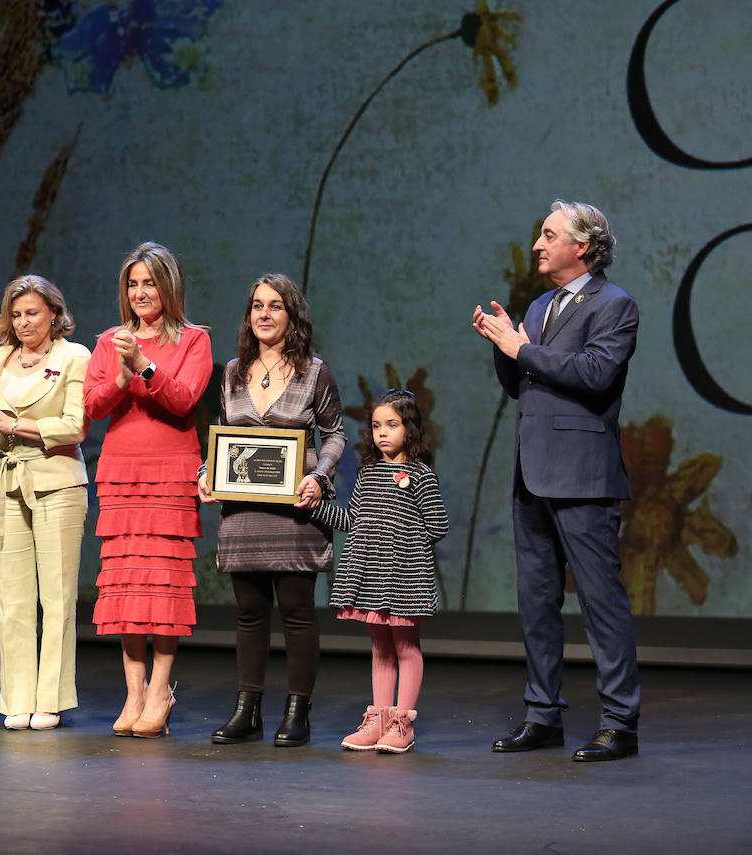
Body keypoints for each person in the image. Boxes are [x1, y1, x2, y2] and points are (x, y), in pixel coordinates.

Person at [472, 199, 641, 762]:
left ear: (583, 246)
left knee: (600, 603)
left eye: (549, 235)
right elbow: (525, 383)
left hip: (583, 477)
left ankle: (620, 722)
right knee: (536, 601)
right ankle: (542, 714)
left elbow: (595, 375)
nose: (538, 244)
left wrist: (525, 349)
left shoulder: (615, 305)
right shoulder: (541, 304)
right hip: (533, 474)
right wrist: (505, 348)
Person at [199, 274, 346, 747]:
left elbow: (336, 434)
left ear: (292, 315)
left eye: (275, 306)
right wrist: (206, 474)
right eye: (257, 306)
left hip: (295, 512)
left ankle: (296, 712)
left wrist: (319, 477)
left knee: (298, 613)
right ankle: (248, 711)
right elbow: (222, 438)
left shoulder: (314, 372)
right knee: (250, 613)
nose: (263, 314)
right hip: (244, 513)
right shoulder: (231, 372)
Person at [83, 241, 213, 738]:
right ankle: (134, 691)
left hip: (172, 470)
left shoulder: (194, 340)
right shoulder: (110, 340)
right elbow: (94, 406)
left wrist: (143, 365)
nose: (140, 292)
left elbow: (183, 402)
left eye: (150, 282)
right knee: (125, 585)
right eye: (133, 284)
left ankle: (160, 689)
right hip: (121, 471)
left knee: (164, 584)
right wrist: (120, 374)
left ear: (169, 286)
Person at [0, 275, 89, 731]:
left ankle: (49, 699)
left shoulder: (75, 356)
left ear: (54, 313)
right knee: (12, 598)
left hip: (57, 481)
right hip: (5, 482)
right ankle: (17, 697)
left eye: (32, 313)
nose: (23, 322)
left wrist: (8, 424)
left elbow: (74, 427)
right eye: (15, 314)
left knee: (56, 598)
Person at [313, 390, 448, 753]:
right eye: (376, 426)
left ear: (411, 428)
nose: (382, 433)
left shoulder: (420, 475)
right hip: (370, 574)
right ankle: (380, 721)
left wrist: (401, 539)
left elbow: (438, 526)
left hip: (403, 575)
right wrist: (315, 508)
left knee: (405, 645)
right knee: (380, 647)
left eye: (392, 424)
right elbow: (352, 520)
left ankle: (403, 722)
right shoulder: (368, 473)